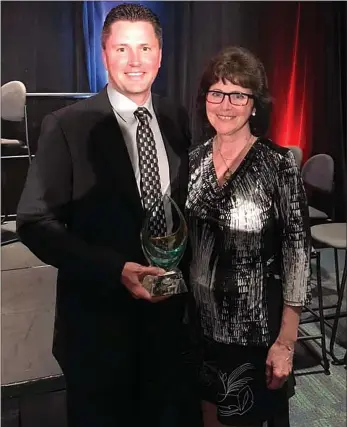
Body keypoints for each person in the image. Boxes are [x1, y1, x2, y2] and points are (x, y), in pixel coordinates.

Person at [16, 4, 201, 427]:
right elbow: (34, 222)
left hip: (168, 322)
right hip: (98, 326)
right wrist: (115, 268)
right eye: (122, 48)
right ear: (104, 54)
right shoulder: (66, 125)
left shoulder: (175, 117)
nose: (134, 61)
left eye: (144, 48)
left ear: (160, 54)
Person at [185, 46, 311, 427]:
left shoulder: (278, 165)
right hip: (199, 330)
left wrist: (286, 341)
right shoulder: (192, 161)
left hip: (255, 333)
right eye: (217, 92)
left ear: (255, 105)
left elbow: (297, 253)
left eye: (239, 94)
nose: (226, 104)